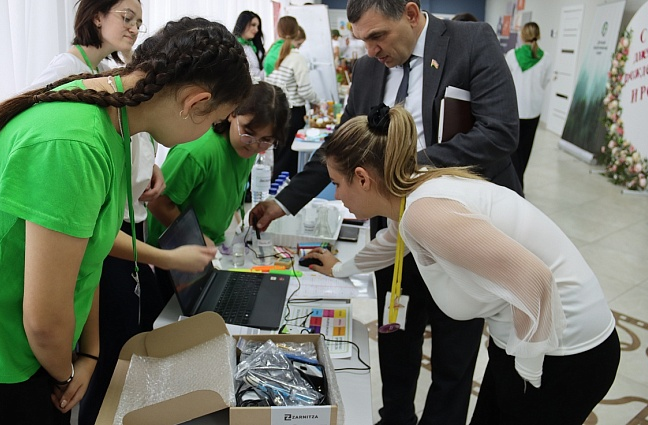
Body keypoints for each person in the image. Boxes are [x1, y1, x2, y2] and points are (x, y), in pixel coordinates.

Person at [0, 16, 252, 425]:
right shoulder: (75, 143)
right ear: (194, 102)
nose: (210, 132)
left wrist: (91, 352)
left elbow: (87, 248)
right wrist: (67, 371)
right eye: (215, 120)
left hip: (26, 348)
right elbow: (44, 322)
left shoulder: (111, 120)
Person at [250, 1, 522, 424]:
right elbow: (342, 146)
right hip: (396, 229)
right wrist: (283, 202)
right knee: (396, 335)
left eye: (378, 36)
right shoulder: (368, 69)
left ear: (410, 14)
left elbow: (500, 131)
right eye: (363, 40)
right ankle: (395, 418)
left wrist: (405, 167)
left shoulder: (471, 43)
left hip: (460, 229)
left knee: (454, 351)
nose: (371, 50)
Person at [305, 104, 619, 425]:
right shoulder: (411, 190)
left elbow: (536, 280)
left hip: (563, 350)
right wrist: (339, 268)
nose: (336, 195)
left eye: (337, 183)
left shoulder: (424, 214)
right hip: (525, 339)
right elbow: (390, 242)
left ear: (362, 178)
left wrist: (526, 372)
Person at [145, 81, 290, 249]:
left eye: (266, 140)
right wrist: (195, 237)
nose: (254, 145)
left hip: (210, 243)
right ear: (232, 113)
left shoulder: (245, 147)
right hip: (172, 249)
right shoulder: (197, 153)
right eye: (248, 133)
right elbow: (158, 203)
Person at [265, 16, 319, 181]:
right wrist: (317, 101)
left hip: (274, 110)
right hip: (292, 111)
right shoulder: (296, 57)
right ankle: (286, 191)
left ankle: (276, 188)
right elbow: (305, 90)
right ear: (296, 32)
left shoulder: (272, 53)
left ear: (278, 31)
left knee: (279, 154)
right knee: (289, 158)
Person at [506, 22, 552, 189]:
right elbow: (546, 81)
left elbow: (506, 80)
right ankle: (520, 182)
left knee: (512, 150)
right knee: (526, 149)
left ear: (522, 35)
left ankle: (515, 184)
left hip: (514, 109)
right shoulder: (546, 58)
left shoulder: (512, 55)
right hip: (534, 110)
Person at [233, 10, 266, 82]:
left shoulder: (253, 46)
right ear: (243, 24)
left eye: (258, 26)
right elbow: (254, 75)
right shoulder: (234, 47)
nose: (256, 30)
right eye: (253, 25)